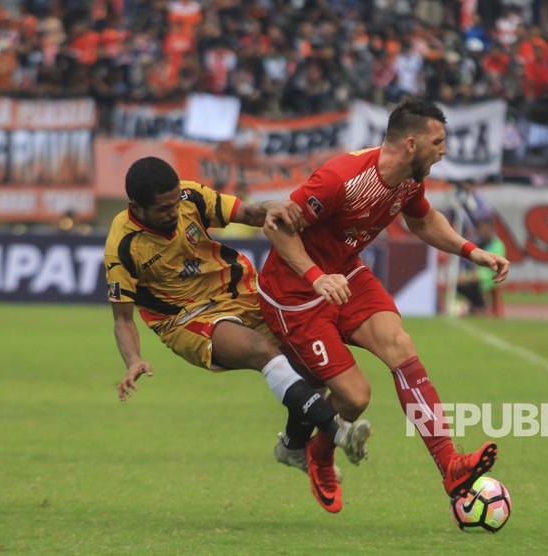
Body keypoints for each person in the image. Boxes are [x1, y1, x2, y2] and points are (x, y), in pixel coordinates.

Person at [258, 97, 510, 513]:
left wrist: (471, 251)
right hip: (295, 294)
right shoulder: (340, 178)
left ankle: (450, 464)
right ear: (411, 143)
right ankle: (316, 453)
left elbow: (423, 220)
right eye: (438, 141)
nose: (444, 149)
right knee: (355, 398)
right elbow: (278, 227)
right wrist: (315, 277)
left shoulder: (410, 179)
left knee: (400, 345)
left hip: (346, 275)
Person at [104, 157, 371, 483]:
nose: (174, 212)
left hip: (243, 293)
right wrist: (132, 359)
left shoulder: (190, 197)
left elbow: (246, 213)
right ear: (136, 207)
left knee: (310, 368)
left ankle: (292, 446)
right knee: (261, 351)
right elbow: (123, 319)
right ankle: (337, 431)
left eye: (175, 203)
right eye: (163, 209)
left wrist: (271, 207)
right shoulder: (123, 245)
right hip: (185, 319)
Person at [456, 218, 506, 315]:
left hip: (492, 277)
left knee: (471, 284)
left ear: (491, 229)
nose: (482, 231)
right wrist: (468, 275)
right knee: (459, 283)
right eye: (481, 229)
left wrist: (473, 276)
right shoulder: (479, 244)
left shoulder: (497, 245)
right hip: (478, 274)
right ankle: (476, 305)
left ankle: (480, 307)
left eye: (485, 229)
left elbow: (495, 267)